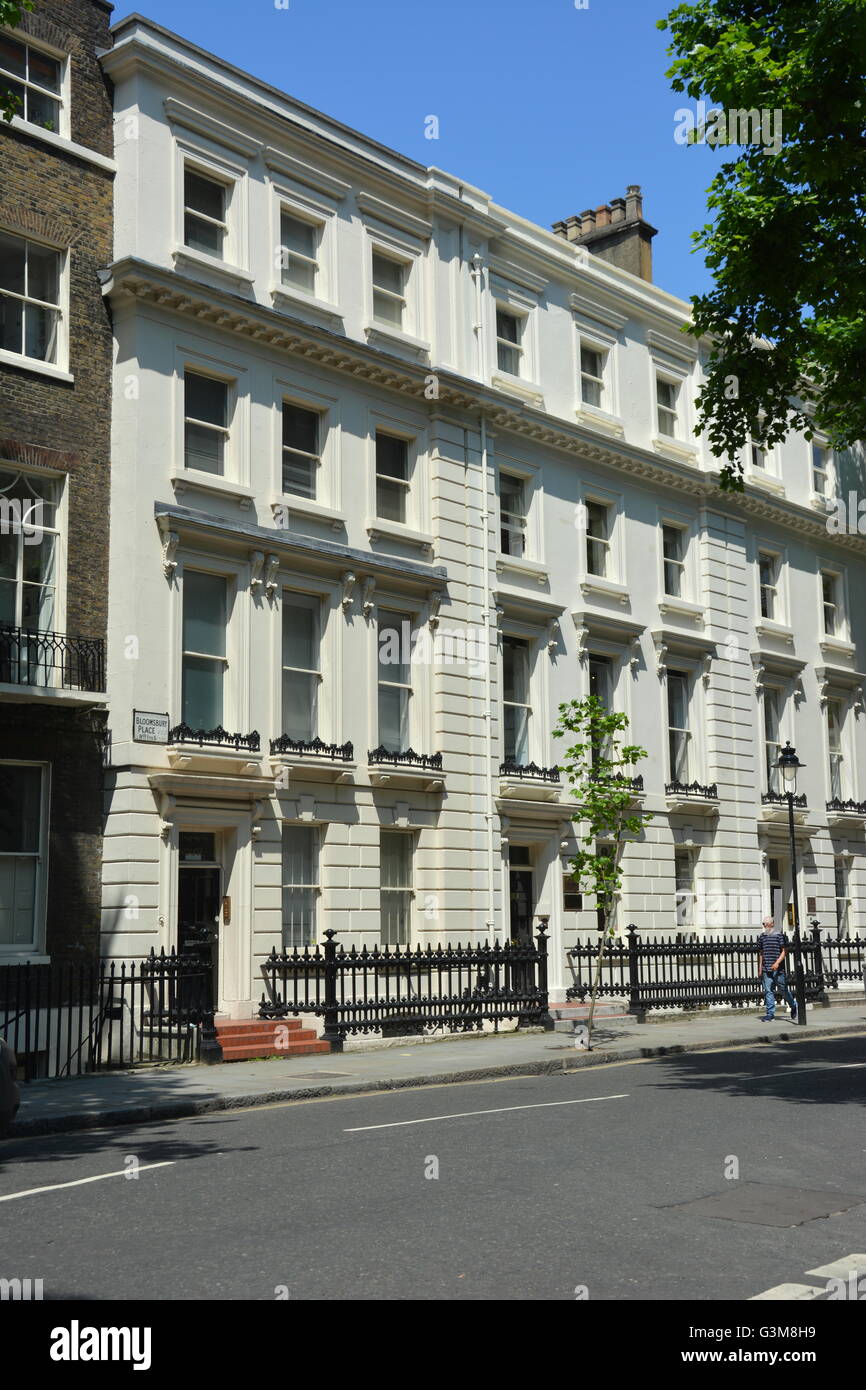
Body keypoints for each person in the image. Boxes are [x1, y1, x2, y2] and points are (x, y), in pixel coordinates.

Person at [757, 916, 798, 1021]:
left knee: (783, 990)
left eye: (766, 923)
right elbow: (761, 953)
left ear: (772, 924)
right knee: (768, 991)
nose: (764, 925)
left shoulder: (779, 936)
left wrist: (777, 963)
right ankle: (770, 1014)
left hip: (778, 970)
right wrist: (760, 968)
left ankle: (793, 1005)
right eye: (763, 924)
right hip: (766, 968)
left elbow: (784, 951)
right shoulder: (762, 937)